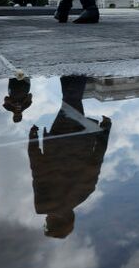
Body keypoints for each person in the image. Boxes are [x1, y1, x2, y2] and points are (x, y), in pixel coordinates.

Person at [28, 76, 111, 238]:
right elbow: (37, 169)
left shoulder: (82, 195)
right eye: (47, 224)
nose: (45, 220)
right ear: (52, 222)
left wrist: (104, 132)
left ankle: (72, 72)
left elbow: (97, 159)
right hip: (57, 142)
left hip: (80, 140)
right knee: (71, 102)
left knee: (71, 103)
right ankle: (74, 71)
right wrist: (33, 141)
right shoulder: (43, 204)